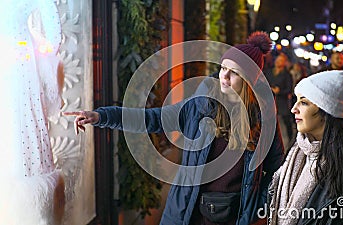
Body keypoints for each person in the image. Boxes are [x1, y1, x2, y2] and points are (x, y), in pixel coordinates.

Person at [64, 31, 284, 225]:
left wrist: (256, 205)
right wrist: (102, 116)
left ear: (249, 81)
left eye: (234, 73)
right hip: (188, 213)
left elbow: (278, 170)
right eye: (223, 68)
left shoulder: (263, 119)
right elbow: (155, 119)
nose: (224, 77)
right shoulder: (202, 104)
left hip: (236, 217)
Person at [256, 70, 343, 224]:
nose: (294, 109)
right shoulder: (299, 150)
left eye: (304, 102)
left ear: (326, 110)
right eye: (296, 100)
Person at [0, 0, 65, 224]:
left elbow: (54, 30)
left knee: (19, 131)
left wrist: (41, 54)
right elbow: (54, 32)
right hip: (18, 61)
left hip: (19, 66)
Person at [264, 53, 294, 146]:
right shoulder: (268, 72)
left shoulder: (287, 75)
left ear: (284, 63)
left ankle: (290, 142)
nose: (278, 62)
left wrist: (279, 91)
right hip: (269, 101)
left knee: (286, 122)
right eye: (277, 60)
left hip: (282, 102)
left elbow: (289, 89)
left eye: (281, 60)